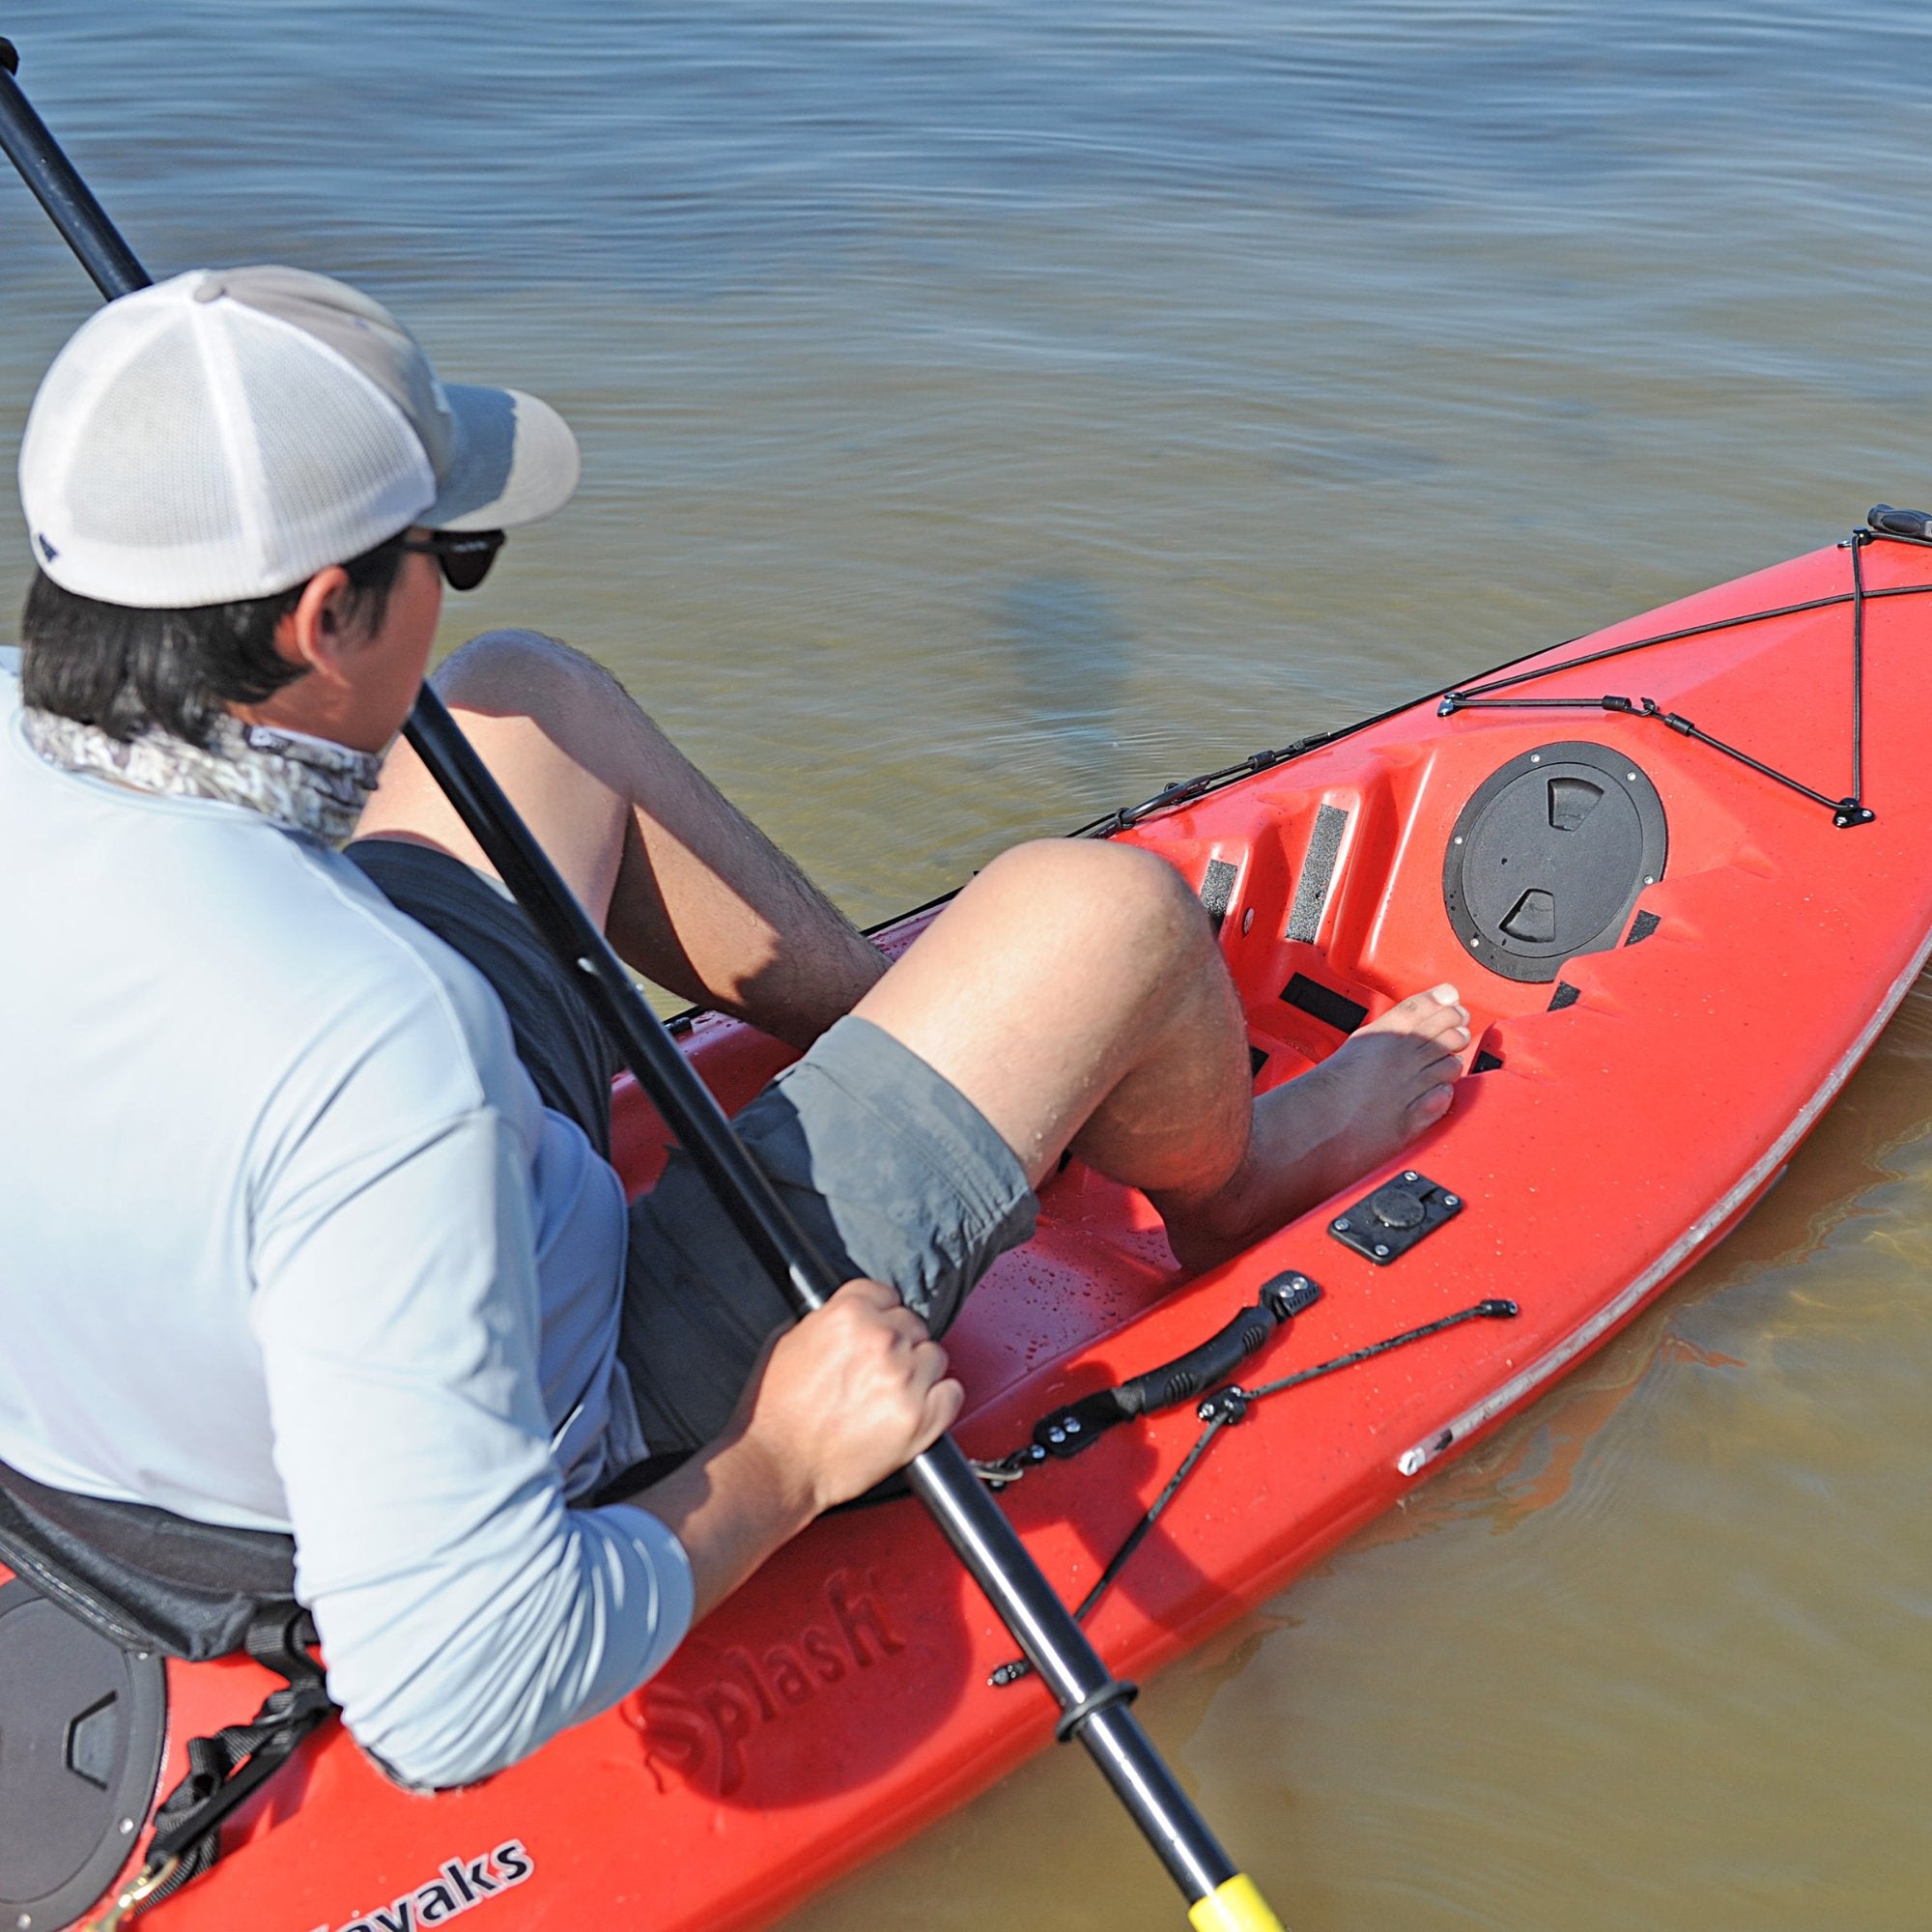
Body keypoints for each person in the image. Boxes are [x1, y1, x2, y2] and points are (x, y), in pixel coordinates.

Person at [0, 267, 1468, 1790]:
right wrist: (778, 1459)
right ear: (319, 619)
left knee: (518, 706)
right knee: (1110, 913)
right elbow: (447, 1694)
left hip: (100, 1462)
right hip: (552, 1431)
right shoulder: (377, 1056)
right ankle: (1226, 1183)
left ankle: (912, 1030)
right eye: (455, 553)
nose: (450, 589)